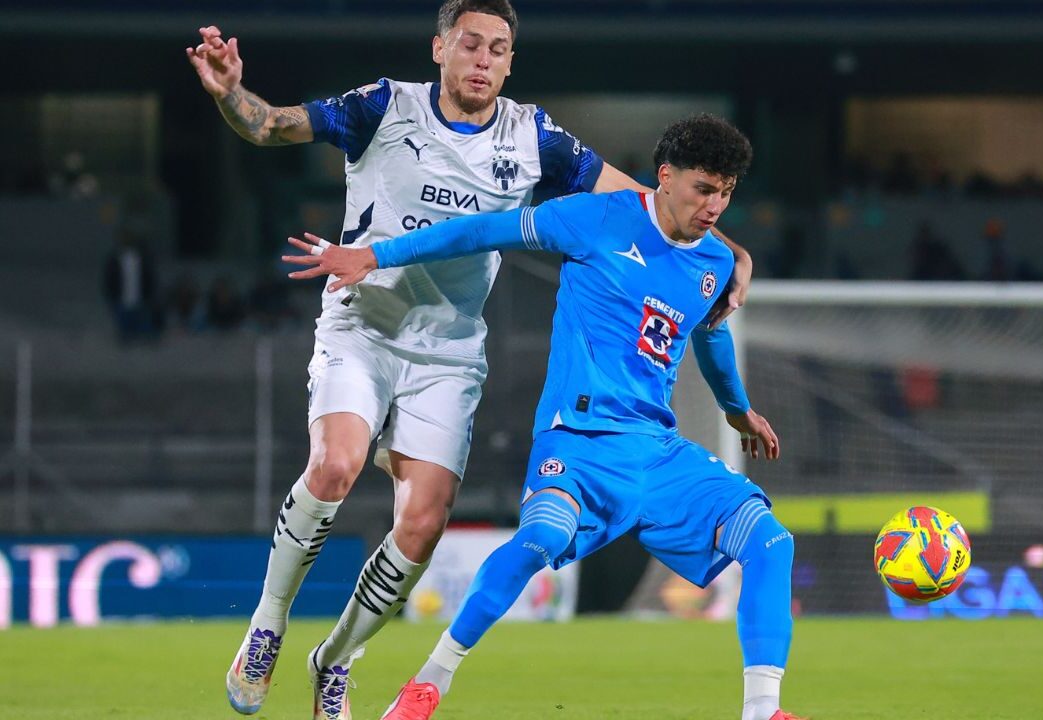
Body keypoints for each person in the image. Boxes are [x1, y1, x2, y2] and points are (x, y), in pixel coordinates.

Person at [186, 2, 753, 717]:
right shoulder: (383, 106)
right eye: (471, 45)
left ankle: (334, 659)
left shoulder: (534, 136)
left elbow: (651, 205)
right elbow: (270, 125)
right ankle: (266, 625)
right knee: (336, 464)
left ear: (511, 62)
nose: (484, 60)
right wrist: (231, 92)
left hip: (449, 352)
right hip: (364, 323)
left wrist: (734, 253)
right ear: (440, 49)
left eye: (499, 49)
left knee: (422, 525)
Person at [285, 114, 805, 720]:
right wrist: (375, 254)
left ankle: (762, 711)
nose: (714, 205)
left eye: (726, 192)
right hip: (578, 442)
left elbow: (709, 332)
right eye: (704, 188)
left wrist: (736, 408)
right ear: (666, 177)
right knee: (540, 541)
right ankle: (427, 683)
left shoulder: (714, 262)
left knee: (771, 541)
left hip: (657, 451)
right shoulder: (592, 218)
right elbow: (482, 230)